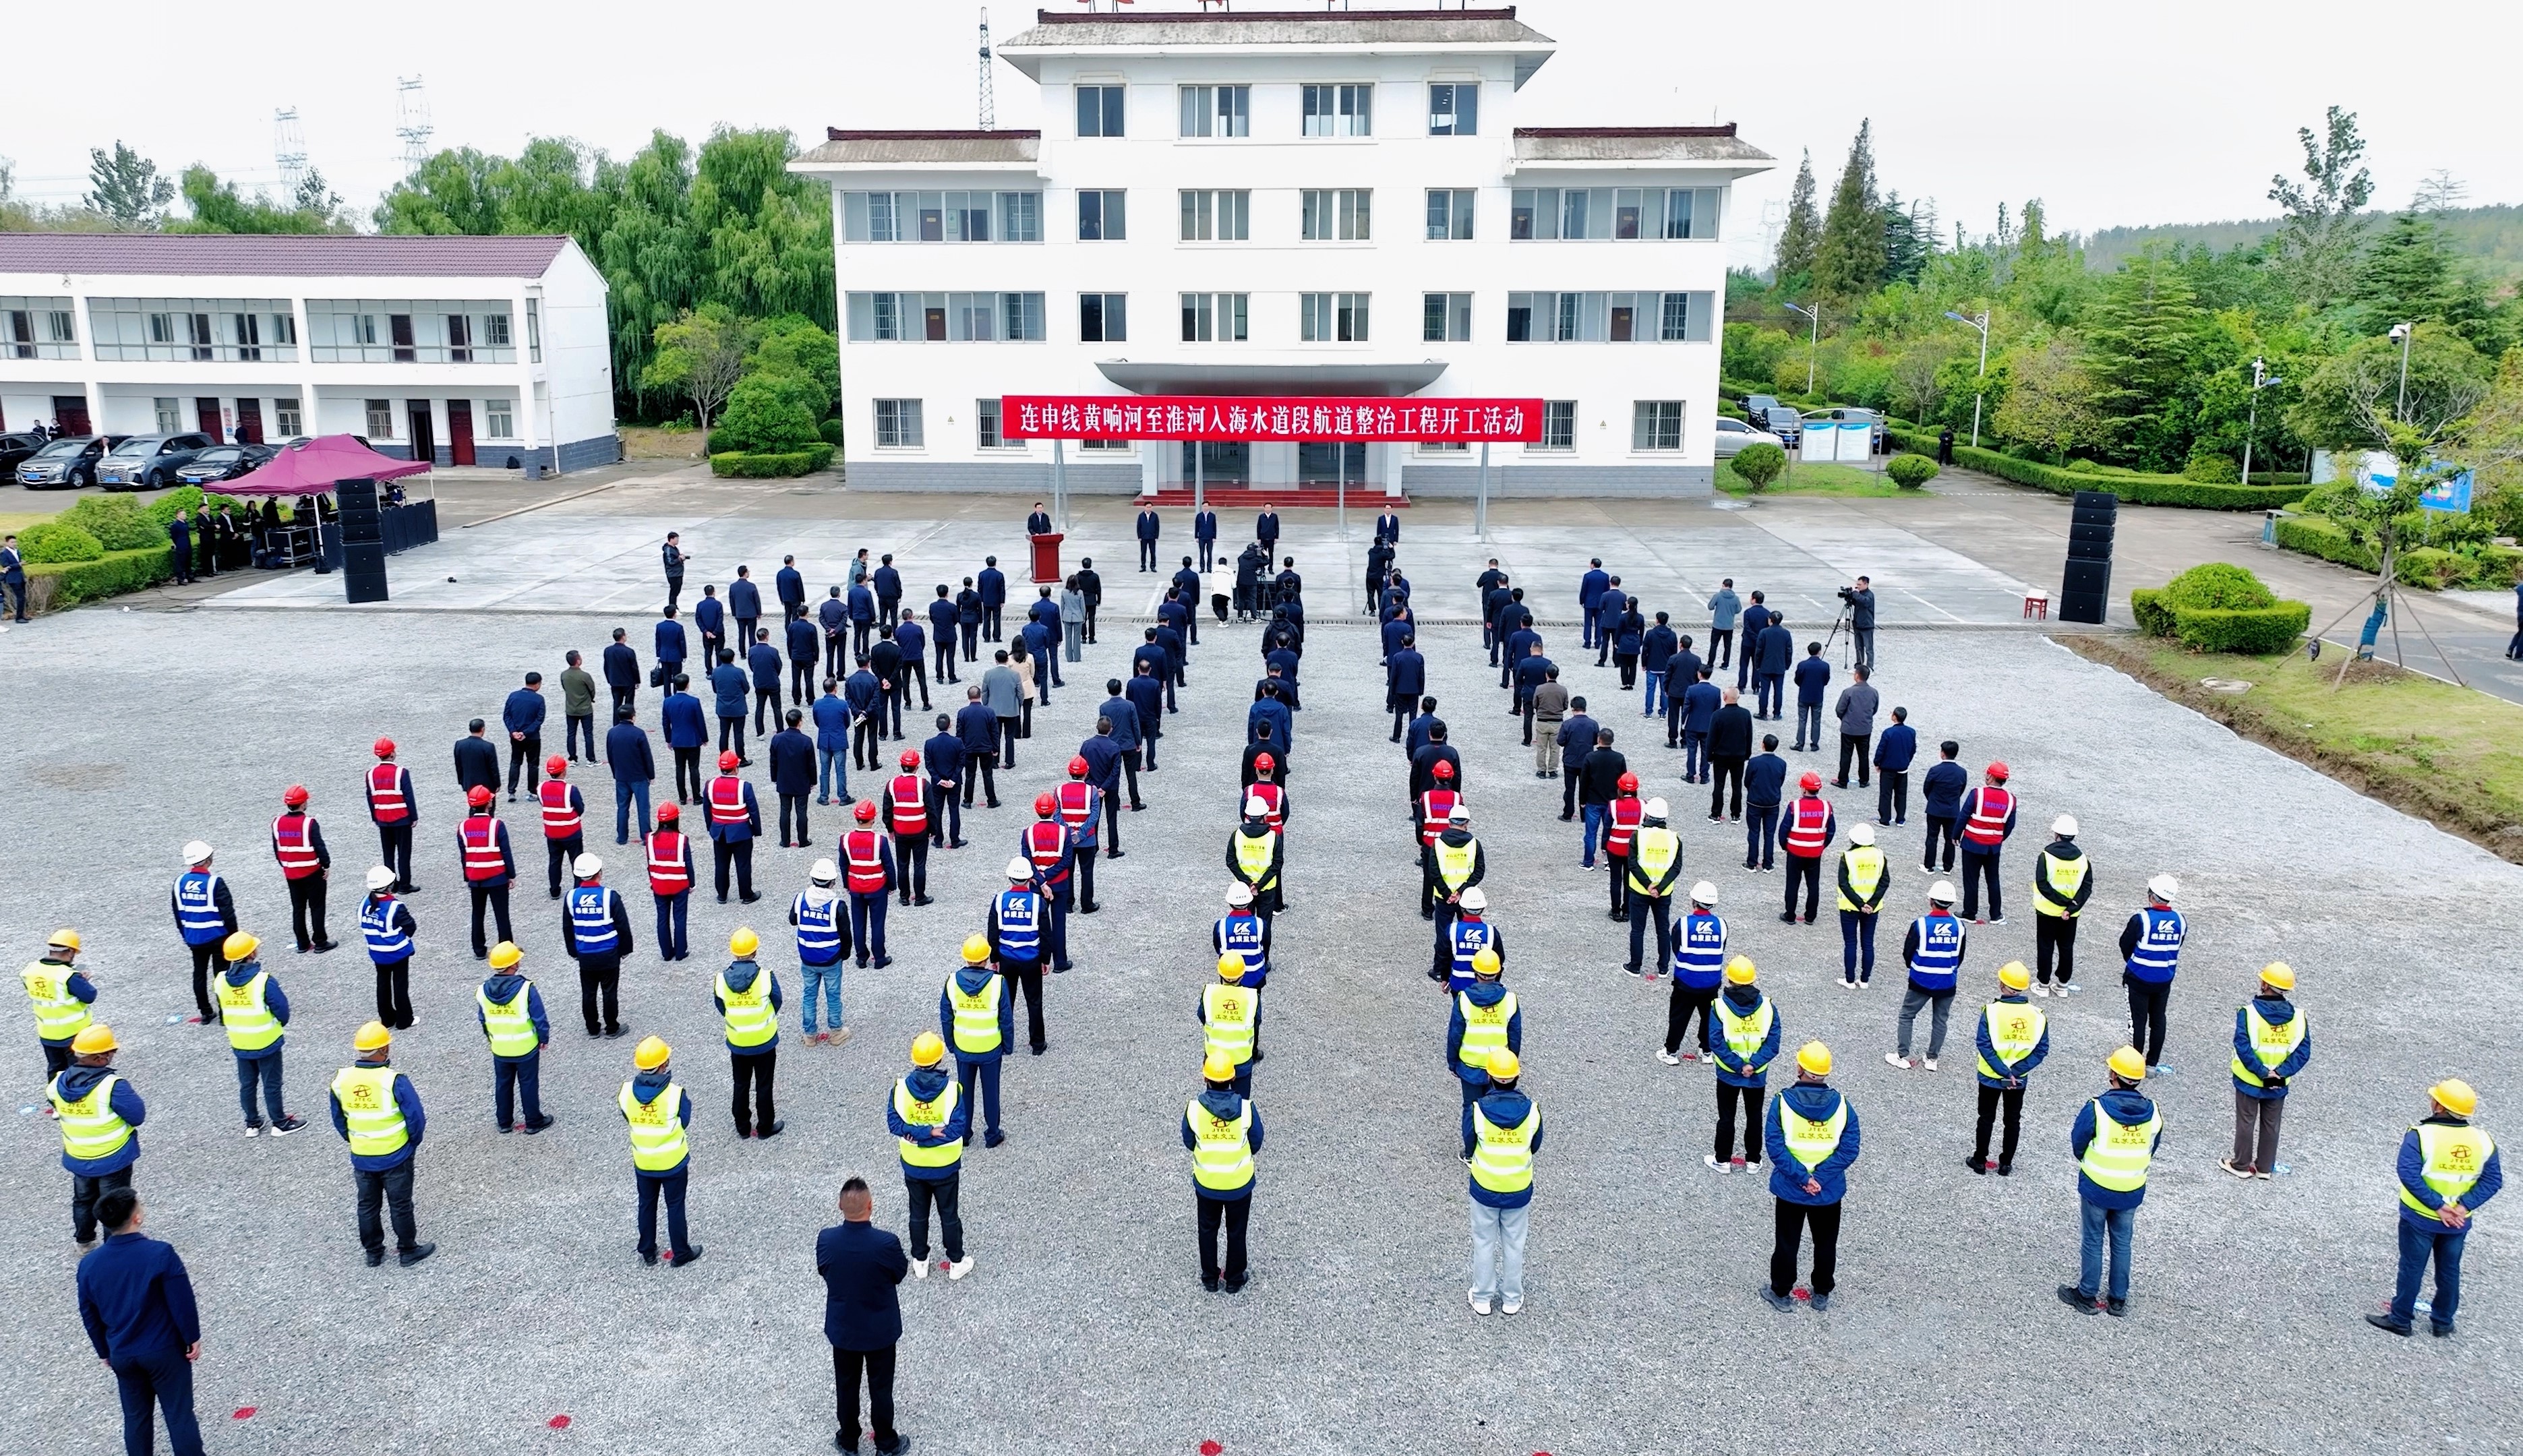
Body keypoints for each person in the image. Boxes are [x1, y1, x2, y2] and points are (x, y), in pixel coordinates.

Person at [78, 1188, 206, 1456]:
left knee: (136, 1418)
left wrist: (104, 1351)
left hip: (122, 1353)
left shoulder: (89, 1265)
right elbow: (181, 1301)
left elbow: (89, 1314)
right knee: (179, 1415)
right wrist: (191, 1337)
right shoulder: (160, 1253)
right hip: (163, 1350)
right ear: (136, 1217)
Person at [2371, 1079, 2501, 1338]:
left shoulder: (2421, 1135)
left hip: (2420, 1217)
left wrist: (2439, 1206)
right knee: (2449, 1270)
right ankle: (2443, 1322)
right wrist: (2463, 1206)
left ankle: (2401, 1319)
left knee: (2412, 1268)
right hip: (2458, 1222)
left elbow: (2409, 1174)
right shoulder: (2483, 1140)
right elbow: (2493, 1180)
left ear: (2440, 1107)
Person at [2061, 1048, 2162, 1316]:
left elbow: (2078, 1142)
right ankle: (2118, 1300)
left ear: (2114, 1074)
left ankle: (2087, 1295)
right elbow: (2152, 1146)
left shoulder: (2097, 1109)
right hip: (2131, 1188)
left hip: (2097, 1186)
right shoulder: (2153, 1112)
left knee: (2093, 1239)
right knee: (2122, 1242)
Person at [1761, 1041, 1860, 1312]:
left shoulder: (1782, 1103)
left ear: (1800, 1068)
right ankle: (1822, 1292)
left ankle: (1781, 1291)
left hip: (1791, 1188)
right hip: (1827, 1191)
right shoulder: (1843, 1105)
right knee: (1826, 1243)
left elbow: (1775, 1147)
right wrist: (1821, 1178)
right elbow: (1849, 1149)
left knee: (1787, 1243)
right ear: (1826, 1072)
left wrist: (1804, 1179)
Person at [328, 1021, 433, 1267]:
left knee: (367, 1205)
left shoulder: (341, 1080)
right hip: (395, 1155)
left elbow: (339, 1119)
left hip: (362, 1156)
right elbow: (416, 1118)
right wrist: (412, 1144)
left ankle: (373, 1253)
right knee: (400, 1205)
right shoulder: (394, 1080)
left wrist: (354, 1140)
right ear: (384, 1049)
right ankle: (408, 1250)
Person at [819, 1178, 912, 1454]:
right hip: (880, 1331)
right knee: (881, 1388)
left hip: (844, 1329)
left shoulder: (827, 1240)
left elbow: (825, 1270)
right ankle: (886, 1443)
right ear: (870, 1205)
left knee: (846, 1386)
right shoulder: (886, 1243)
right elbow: (900, 1273)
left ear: (840, 1206)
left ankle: (848, 1441)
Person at [1460, 1045, 1543, 1318]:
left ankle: (1482, 1297)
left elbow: (1470, 1143)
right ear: (1517, 1076)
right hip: (1518, 1188)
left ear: (1489, 1077)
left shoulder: (1477, 1110)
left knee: (1484, 1241)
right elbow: (1535, 1145)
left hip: (1485, 1187)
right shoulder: (1532, 1111)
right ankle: (1512, 1298)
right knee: (1515, 1243)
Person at [891, 1031, 976, 1285]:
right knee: (949, 1215)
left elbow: (895, 1124)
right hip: (945, 1166)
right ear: (939, 1060)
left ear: (914, 1060)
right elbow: (957, 1128)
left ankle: (920, 1261)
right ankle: (956, 1262)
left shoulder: (900, 1089)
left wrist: (918, 1135)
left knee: (918, 1214)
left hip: (914, 1165)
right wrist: (929, 1133)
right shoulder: (952, 1091)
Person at [50, 1021, 144, 1245]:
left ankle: (84, 1242)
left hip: (79, 1156)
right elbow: (137, 1116)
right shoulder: (113, 1086)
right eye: (112, 1051)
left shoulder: (57, 1083)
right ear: (101, 1057)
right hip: (113, 1157)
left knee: (83, 1200)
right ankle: (115, 1248)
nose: (113, 1055)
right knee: (114, 1206)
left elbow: (55, 1101)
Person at [1185, 1052, 1264, 1292]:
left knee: (1207, 1229)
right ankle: (1235, 1279)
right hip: (1239, 1185)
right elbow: (1256, 1142)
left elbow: (1189, 1141)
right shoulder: (1247, 1109)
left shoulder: (1194, 1110)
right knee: (1237, 1231)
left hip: (1207, 1184)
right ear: (1233, 1078)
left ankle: (1210, 1278)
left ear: (1205, 1078)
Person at [213, 932, 305, 1137]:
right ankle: (279, 1122)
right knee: (271, 1084)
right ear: (251, 954)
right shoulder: (263, 981)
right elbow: (282, 1011)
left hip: (240, 1042)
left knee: (247, 1084)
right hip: (267, 1041)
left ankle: (252, 1124)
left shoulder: (220, 981)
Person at [620, 1035, 702, 1267]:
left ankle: (647, 1251)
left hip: (644, 1161)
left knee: (646, 1204)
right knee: (675, 1205)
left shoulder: (626, 1093)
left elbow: (628, 1117)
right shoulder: (675, 1094)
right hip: (673, 1161)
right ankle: (681, 1252)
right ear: (664, 1064)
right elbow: (684, 1121)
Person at [2225, 962, 2309, 1180]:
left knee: (2246, 1121)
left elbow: (2242, 1046)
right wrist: (2280, 1073)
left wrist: (2262, 1072)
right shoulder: (2299, 1018)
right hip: (2279, 1081)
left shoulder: (2248, 1014)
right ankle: (2264, 1168)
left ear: (2265, 985)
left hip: (2250, 1079)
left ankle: (2241, 1165)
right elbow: (2303, 1051)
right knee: (2271, 1124)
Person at [1969, 962, 2049, 1175]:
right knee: (2012, 1120)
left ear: (2002, 984)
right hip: (2018, 1079)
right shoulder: (2038, 1015)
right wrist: (2015, 1071)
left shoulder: (1991, 1011)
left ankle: (1979, 1160)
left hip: (1990, 1076)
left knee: (1986, 1117)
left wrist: (2004, 1071)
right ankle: (2006, 1164)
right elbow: (2041, 1049)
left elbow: (1984, 1044)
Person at [1706, 957, 1779, 1172]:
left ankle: (1723, 1160)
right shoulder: (1768, 1007)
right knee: (1754, 1116)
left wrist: (1739, 1065)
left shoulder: (1720, 1007)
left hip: (1728, 1073)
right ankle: (1753, 1161)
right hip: (1757, 1074)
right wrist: (1753, 1065)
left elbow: (1716, 1042)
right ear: (1753, 980)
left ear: (1729, 980)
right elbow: (1773, 1043)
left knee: (1726, 1117)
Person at [475, 940, 554, 1134]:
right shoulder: (526, 989)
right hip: (526, 1047)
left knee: (503, 1084)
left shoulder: (482, 991)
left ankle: (504, 1121)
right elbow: (539, 1017)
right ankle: (533, 1121)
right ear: (514, 965)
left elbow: (483, 1019)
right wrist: (544, 1038)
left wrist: (492, 1039)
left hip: (500, 1048)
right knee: (528, 1083)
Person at [941, 935, 1012, 1147]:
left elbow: (946, 1017)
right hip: (990, 1048)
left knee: (964, 1093)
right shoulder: (998, 983)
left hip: (964, 1047)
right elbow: (1006, 1018)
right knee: (991, 1093)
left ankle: (964, 1134)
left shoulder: (952, 982)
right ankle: (992, 1134)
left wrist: (951, 1044)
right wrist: (1007, 1045)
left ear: (965, 958)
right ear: (986, 958)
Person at [714, 928, 784, 1139]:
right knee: (764, 1085)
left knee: (741, 1084)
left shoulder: (721, 979)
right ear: (755, 951)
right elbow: (777, 1001)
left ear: (734, 952)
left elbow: (721, 1006)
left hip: (738, 1042)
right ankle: (765, 1127)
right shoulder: (765, 977)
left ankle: (742, 1127)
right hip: (764, 1041)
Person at [1889, 880, 1966, 1070]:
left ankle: (1902, 1055)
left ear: (1931, 900)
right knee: (1940, 1020)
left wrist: (1913, 967)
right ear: (1951, 903)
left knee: (1907, 1015)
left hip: (1921, 979)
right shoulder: (1960, 926)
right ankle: (1932, 1059)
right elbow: (1960, 955)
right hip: (1947, 981)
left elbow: (1908, 951)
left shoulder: (1921, 924)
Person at [562, 853, 634, 1038]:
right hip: (608, 952)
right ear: (599, 873)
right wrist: (625, 949)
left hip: (585, 953)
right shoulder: (610, 896)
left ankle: (592, 1028)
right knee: (609, 991)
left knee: (589, 992)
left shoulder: (571, 897)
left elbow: (568, 928)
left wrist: (573, 952)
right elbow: (622, 926)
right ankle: (612, 1027)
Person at [2120, 874, 2185, 1072]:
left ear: (2151, 895)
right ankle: (2152, 1064)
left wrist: (2133, 961)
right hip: (2164, 978)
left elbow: (2125, 944)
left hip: (2138, 977)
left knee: (2138, 1021)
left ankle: (2134, 1065)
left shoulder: (2141, 919)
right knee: (2158, 1019)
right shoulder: (2181, 920)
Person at [170, 842, 238, 1025]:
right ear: (208, 860)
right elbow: (228, 913)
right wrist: (234, 937)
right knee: (221, 975)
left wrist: (185, 934)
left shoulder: (179, 882)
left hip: (194, 936)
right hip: (217, 936)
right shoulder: (215, 883)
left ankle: (206, 1012)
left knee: (199, 974)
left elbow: (177, 912)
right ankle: (225, 1014)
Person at [2025, 814, 2094, 995]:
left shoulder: (2046, 856)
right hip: (2071, 914)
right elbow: (2086, 887)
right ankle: (2063, 985)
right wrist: (2071, 907)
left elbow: (2042, 884)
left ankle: (2043, 985)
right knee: (2066, 947)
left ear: (2056, 833)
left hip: (2047, 910)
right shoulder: (2083, 859)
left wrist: (2061, 902)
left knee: (2045, 946)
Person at [986, 859, 1048, 1054]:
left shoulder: (999, 900)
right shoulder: (1038, 902)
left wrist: (994, 958)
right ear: (1030, 878)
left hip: (1007, 958)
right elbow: (1045, 934)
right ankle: (1037, 1044)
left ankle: (1004, 1043)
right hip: (1031, 958)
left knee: (1005, 1002)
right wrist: (1045, 959)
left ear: (1010, 877)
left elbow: (993, 934)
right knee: (1034, 1001)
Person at [1660, 883, 1727, 1062]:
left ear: (1694, 901)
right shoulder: (1722, 924)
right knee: (1709, 1018)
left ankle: (1671, 1052)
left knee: (1679, 1017)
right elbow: (1721, 948)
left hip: (1686, 980)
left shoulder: (1683, 923)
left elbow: (1676, 948)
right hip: (1711, 981)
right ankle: (1707, 1052)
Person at [270, 783, 338, 953]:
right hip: (312, 872)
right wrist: (326, 865)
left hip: (291, 873)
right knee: (317, 907)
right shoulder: (309, 823)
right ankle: (320, 941)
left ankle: (302, 943)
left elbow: (277, 849)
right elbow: (320, 847)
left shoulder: (277, 823)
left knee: (298, 909)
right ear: (303, 803)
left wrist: (286, 865)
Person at [1447, 948, 1520, 1107]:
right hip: (1500, 1068)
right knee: (1496, 1109)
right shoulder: (1510, 1000)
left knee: (1471, 1107)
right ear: (1498, 972)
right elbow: (1515, 1037)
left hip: (1470, 1067)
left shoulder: (1463, 1000)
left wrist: (1453, 1063)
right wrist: (1512, 1063)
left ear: (1475, 972)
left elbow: (1455, 1035)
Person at [791, 859, 852, 1046]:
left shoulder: (800, 898)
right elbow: (846, 933)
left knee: (809, 995)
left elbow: (793, 920)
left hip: (808, 957)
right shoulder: (837, 905)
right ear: (832, 882)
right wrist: (846, 953)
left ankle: (810, 1035)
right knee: (833, 995)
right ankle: (836, 1032)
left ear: (812, 878)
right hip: (831, 958)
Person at [456, 785, 517, 959]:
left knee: (478, 913)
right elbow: (506, 852)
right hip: (496, 876)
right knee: (501, 914)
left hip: (475, 876)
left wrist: (467, 876)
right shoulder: (496, 825)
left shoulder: (463, 827)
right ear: (489, 803)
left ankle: (479, 949)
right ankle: (507, 949)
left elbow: (464, 855)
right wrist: (511, 875)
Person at [1624, 800, 1682, 976]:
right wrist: (1660, 887)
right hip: (1663, 894)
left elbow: (1632, 864)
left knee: (1637, 930)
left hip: (1640, 891)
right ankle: (1663, 967)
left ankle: (1635, 966)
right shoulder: (1674, 838)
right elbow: (1676, 867)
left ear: (1647, 815)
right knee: (1663, 930)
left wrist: (1648, 885)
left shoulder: (1638, 835)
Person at [1956, 761, 2017, 923]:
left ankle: (1970, 913)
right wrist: (1999, 838)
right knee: (1993, 879)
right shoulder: (2011, 799)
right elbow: (2010, 825)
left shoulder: (1977, 794)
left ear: (1990, 776)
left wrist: (1956, 835)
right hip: (1993, 847)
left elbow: (1964, 816)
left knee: (1971, 879)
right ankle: (1996, 915)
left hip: (1972, 843)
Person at [841, 801, 899, 970]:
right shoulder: (879, 841)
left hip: (856, 887)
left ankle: (861, 957)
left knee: (858, 924)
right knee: (877, 924)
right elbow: (889, 865)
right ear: (873, 819)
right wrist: (892, 885)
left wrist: (847, 884)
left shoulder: (845, 839)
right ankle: (879, 957)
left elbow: (844, 865)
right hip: (877, 887)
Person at [703, 750, 763, 905]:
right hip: (741, 832)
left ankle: (722, 894)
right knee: (743, 865)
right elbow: (753, 810)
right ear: (736, 767)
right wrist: (756, 830)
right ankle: (746, 895)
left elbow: (707, 809)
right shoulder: (744, 786)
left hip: (719, 831)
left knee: (721, 864)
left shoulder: (710, 785)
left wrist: (711, 828)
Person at [1834, 823, 1888, 986]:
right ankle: (1864, 980)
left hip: (1850, 907)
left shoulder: (1848, 856)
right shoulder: (1879, 855)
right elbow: (1884, 881)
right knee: (1868, 944)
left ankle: (1849, 980)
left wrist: (1860, 904)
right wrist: (1871, 904)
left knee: (1851, 943)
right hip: (1873, 908)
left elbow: (1844, 884)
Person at [1778, 771, 1836, 924]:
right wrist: (1821, 845)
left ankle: (1790, 915)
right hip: (1815, 852)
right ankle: (1810, 917)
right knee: (1813, 885)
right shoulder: (1826, 806)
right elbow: (1831, 831)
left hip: (1795, 851)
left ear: (1804, 789)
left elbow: (1784, 829)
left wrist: (1785, 845)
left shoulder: (1795, 806)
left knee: (1792, 884)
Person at [647, 803, 696, 963]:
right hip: (679, 884)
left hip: (659, 884)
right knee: (680, 918)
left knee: (662, 918)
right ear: (676, 820)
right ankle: (681, 952)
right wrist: (692, 883)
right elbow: (688, 864)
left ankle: (666, 953)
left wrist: (652, 881)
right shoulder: (682, 840)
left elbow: (649, 862)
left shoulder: (650, 839)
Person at [883, 751, 934, 907]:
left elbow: (887, 811)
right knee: (920, 864)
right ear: (917, 767)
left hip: (901, 830)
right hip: (920, 830)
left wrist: (890, 829)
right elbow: (931, 810)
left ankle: (904, 896)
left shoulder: (891, 784)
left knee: (902, 864)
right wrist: (933, 830)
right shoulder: (923, 784)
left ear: (901, 765)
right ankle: (920, 897)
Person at [534, 755, 587, 899]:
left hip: (552, 831)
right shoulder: (570, 790)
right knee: (576, 861)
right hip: (571, 832)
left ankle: (555, 890)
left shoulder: (541, 788)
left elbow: (543, 803)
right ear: (564, 771)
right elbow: (580, 808)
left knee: (555, 861)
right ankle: (578, 889)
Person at [605, 707, 655, 845]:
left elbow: (610, 754)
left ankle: (622, 837)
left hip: (621, 776)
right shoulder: (638, 733)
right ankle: (646, 837)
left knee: (622, 807)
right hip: (639, 777)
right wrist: (651, 775)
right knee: (643, 808)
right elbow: (647, 756)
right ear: (633, 717)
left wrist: (615, 772)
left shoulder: (612, 733)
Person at [770, 708, 818, 849]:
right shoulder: (806, 741)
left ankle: (785, 840)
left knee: (785, 811)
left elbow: (773, 761)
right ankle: (803, 840)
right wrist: (813, 781)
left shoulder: (777, 739)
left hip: (784, 780)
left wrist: (775, 777)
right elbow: (811, 764)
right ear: (800, 722)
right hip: (801, 781)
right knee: (801, 811)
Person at [1707, 688, 1754, 822]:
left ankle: (1716, 814)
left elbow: (1711, 738)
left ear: (1725, 697)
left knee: (1719, 785)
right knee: (1737, 786)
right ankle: (1736, 814)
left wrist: (1709, 756)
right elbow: (1749, 736)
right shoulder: (1745, 714)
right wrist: (1747, 754)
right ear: (1738, 698)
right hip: (1739, 756)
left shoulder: (1718, 715)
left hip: (1721, 756)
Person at [1921, 739, 1967, 872]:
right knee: (1950, 839)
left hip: (1935, 809)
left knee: (1932, 837)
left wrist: (1932, 800)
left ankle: (1929, 866)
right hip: (1952, 810)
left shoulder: (1935, 770)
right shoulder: (1962, 772)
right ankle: (1948, 867)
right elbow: (1961, 790)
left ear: (1943, 753)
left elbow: (1927, 788)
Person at [1743, 734, 1787, 872]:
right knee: (1769, 834)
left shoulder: (1754, 762)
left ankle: (1752, 862)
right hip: (1772, 803)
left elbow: (1747, 781)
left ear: (1763, 745)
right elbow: (1780, 781)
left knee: (1754, 832)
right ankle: (1768, 863)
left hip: (1755, 802)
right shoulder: (1781, 764)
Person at [663, 674, 709, 804]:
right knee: (694, 768)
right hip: (692, 739)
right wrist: (704, 737)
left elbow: (666, 723)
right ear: (688, 685)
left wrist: (669, 739)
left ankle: (682, 797)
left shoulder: (668, 702)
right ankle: (696, 797)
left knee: (680, 768)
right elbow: (700, 722)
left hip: (677, 740)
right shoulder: (694, 702)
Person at [501, 673, 547, 801]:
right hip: (532, 737)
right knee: (533, 764)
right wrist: (525, 732)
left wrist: (513, 731)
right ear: (537, 684)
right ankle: (532, 791)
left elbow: (507, 715)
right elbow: (539, 720)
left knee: (515, 762)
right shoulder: (539, 699)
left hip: (515, 737)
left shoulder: (513, 696)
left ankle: (511, 791)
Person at [1831, 665, 1878, 788]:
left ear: (1857, 676)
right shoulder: (1874, 692)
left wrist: (1845, 719)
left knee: (1846, 754)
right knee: (1864, 755)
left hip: (1849, 728)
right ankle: (1864, 780)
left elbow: (1839, 709)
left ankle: (1843, 780)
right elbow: (1874, 709)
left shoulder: (1849, 692)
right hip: (1865, 728)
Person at [957, 687, 1003, 809]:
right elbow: (995, 732)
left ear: (968, 697)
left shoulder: (962, 713)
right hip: (986, 748)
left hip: (969, 749)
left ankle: (967, 801)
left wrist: (960, 750)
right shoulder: (989, 712)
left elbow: (960, 734)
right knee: (988, 775)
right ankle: (992, 800)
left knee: (969, 775)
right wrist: (995, 748)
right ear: (980, 696)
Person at [814, 677, 855, 808]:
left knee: (824, 771)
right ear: (835, 688)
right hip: (839, 740)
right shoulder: (842, 704)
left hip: (824, 740)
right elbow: (847, 722)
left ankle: (824, 796)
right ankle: (843, 796)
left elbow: (817, 721)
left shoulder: (817, 704)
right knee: (840, 770)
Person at [1872, 706, 1916, 826]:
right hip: (1903, 768)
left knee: (1886, 794)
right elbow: (1913, 750)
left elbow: (1881, 750)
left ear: (1894, 717)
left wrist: (1877, 763)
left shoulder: (1888, 732)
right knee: (1901, 794)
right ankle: (1900, 818)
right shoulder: (1911, 732)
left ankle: (1885, 819)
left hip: (1888, 769)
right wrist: (1907, 761)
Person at [711, 648, 752, 766]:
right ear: (733, 658)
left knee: (724, 732)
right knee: (738, 734)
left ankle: (724, 757)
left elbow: (715, 689)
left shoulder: (716, 672)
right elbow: (746, 688)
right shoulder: (739, 672)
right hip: (738, 707)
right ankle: (741, 758)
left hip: (723, 707)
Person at [1752, 611, 1795, 720]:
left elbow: (1759, 651)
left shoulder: (1764, 632)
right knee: (1778, 691)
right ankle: (1777, 713)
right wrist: (1787, 665)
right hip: (1779, 667)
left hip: (1765, 666)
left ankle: (1763, 713)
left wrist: (1757, 664)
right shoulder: (1786, 633)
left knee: (1764, 691)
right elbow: (1789, 651)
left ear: (1770, 620)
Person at [560, 650, 600, 764]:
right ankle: (590, 759)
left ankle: (573, 758)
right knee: (588, 734)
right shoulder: (585, 676)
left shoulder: (564, 675)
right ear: (578, 661)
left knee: (571, 734)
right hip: (585, 709)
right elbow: (592, 690)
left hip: (571, 708)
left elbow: (565, 688)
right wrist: (590, 698)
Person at [1791, 641, 1831, 752]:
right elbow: (1826, 680)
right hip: (1817, 696)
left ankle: (1800, 743)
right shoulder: (1825, 666)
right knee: (1816, 721)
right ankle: (1815, 744)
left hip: (1804, 695)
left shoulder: (1802, 665)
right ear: (1819, 652)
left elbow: (1797, 680)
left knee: (1802, 720)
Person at [463, 721, 512, 811]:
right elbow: (493, 767)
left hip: (469, 783)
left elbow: (459, 766)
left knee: (473, 807)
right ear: (483, 730)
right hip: (487, 785)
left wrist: (463, 782)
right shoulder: (488, 746)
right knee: (488, 808)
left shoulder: (460, 745)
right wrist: (497, 784)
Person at [748, 627, 785, 739]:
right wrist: (774, 675)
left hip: (759, 682)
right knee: (777, 708)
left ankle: (760, 732)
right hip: (773, 682)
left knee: (760, 707)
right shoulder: (773, 651)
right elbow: (779, 666)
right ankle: (780, 730)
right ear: (767, 637)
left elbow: (751, 666)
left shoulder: (752, 650)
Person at [603, 628, 642, 723]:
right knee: (629, 704)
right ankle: (629, 722)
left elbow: (606, 667)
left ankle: (616, 724)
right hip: (628, 682)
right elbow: (634, 668)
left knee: (617, 704)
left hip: (615, 682)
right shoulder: (629, 651)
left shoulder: (608, 651)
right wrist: (637, 681)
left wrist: (609, 679)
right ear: (623, 637)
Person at [786, 610, 822, 709]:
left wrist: (791, 655)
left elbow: (789, 642)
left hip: (796, 656)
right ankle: (810, 700)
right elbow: (815, 644)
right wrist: (816, 657)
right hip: (808, 657)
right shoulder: (811, 627)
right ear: (807, 613)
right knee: (809, 679)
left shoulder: (792, 626)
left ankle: (796, 700)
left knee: (796, 679)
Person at [1706, 579, 1741, 673]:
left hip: (1717, 625)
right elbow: (1738, 610)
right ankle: (1725, 664)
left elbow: (1710, 607)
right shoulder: (1736, 598)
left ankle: (1710, 664)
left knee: (1714, 645)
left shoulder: (1718, 596)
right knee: (1727, 646)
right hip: (1729, 626)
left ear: (1723, 585)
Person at [1845, 576, 1877, 671]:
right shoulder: (1860, 594)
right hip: (1858, 625)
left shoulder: (1869, 595)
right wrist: (1849, 597)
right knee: (1859, 648)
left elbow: (1865, 602)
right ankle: (1859, 666)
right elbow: (1855, 602)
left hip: (1867, 626)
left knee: (1868, 649)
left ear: (1866, 584)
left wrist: (1855, 594)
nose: (1858, 586)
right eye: (1857, 584)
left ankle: (1869, 668)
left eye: (1860, 584)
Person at [729, 564, 763, 649]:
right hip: (751, 614)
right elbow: (757, 601)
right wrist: (759, 613)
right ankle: (752, 651)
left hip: (740, 614)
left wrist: (734, 613)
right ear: (745, 573)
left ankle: (742, 653)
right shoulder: (751, 586)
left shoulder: (733, 586)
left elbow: (732, 601)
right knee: (752, 635)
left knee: (741, 634)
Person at [977, 555, 1007, 641]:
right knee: (997, 619)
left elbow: (980, 588)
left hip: (986, 600)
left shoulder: (982, 574)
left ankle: (986, 637)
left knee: (986, 618)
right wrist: (1002, 601)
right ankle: (996, 637)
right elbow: (1002, 589)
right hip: (996, 600)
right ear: (995, 563)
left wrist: (981, 599)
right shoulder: (999, 575)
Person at [1, 533, 26, 622]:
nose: (14, 544)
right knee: (20, 597)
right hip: (13, 578)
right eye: (12, 542)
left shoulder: (17, 551)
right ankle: (19, 618)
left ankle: (22, 615)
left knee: (23, 597)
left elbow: (19, 565)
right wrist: (18, 564)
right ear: (7, 543)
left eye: (15, 542)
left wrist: (23, 575)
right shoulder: (4, 553)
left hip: (20, 577)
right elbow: (5, 566)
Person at [777, 553, 808, 624]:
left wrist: (782, 599)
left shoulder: (780, 573)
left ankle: (788, 628)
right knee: (795, 615)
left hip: (785, 598)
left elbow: (779, 587)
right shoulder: (795, 574)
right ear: (791, 562)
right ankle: (794, 627)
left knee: (787, 614)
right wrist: (802, 598)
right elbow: (800, 587)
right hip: (795, 599)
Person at [661, 531, 688, 610]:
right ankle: (672, 607)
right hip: (673, 574)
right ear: (671, 539)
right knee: (674, 591)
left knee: (677, 591)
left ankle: (674, 605)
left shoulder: (674, 548)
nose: (678, 540)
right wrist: (680, 559)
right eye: (676, 539)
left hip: (678, 573)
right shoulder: (668, 549)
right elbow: (670, 562)